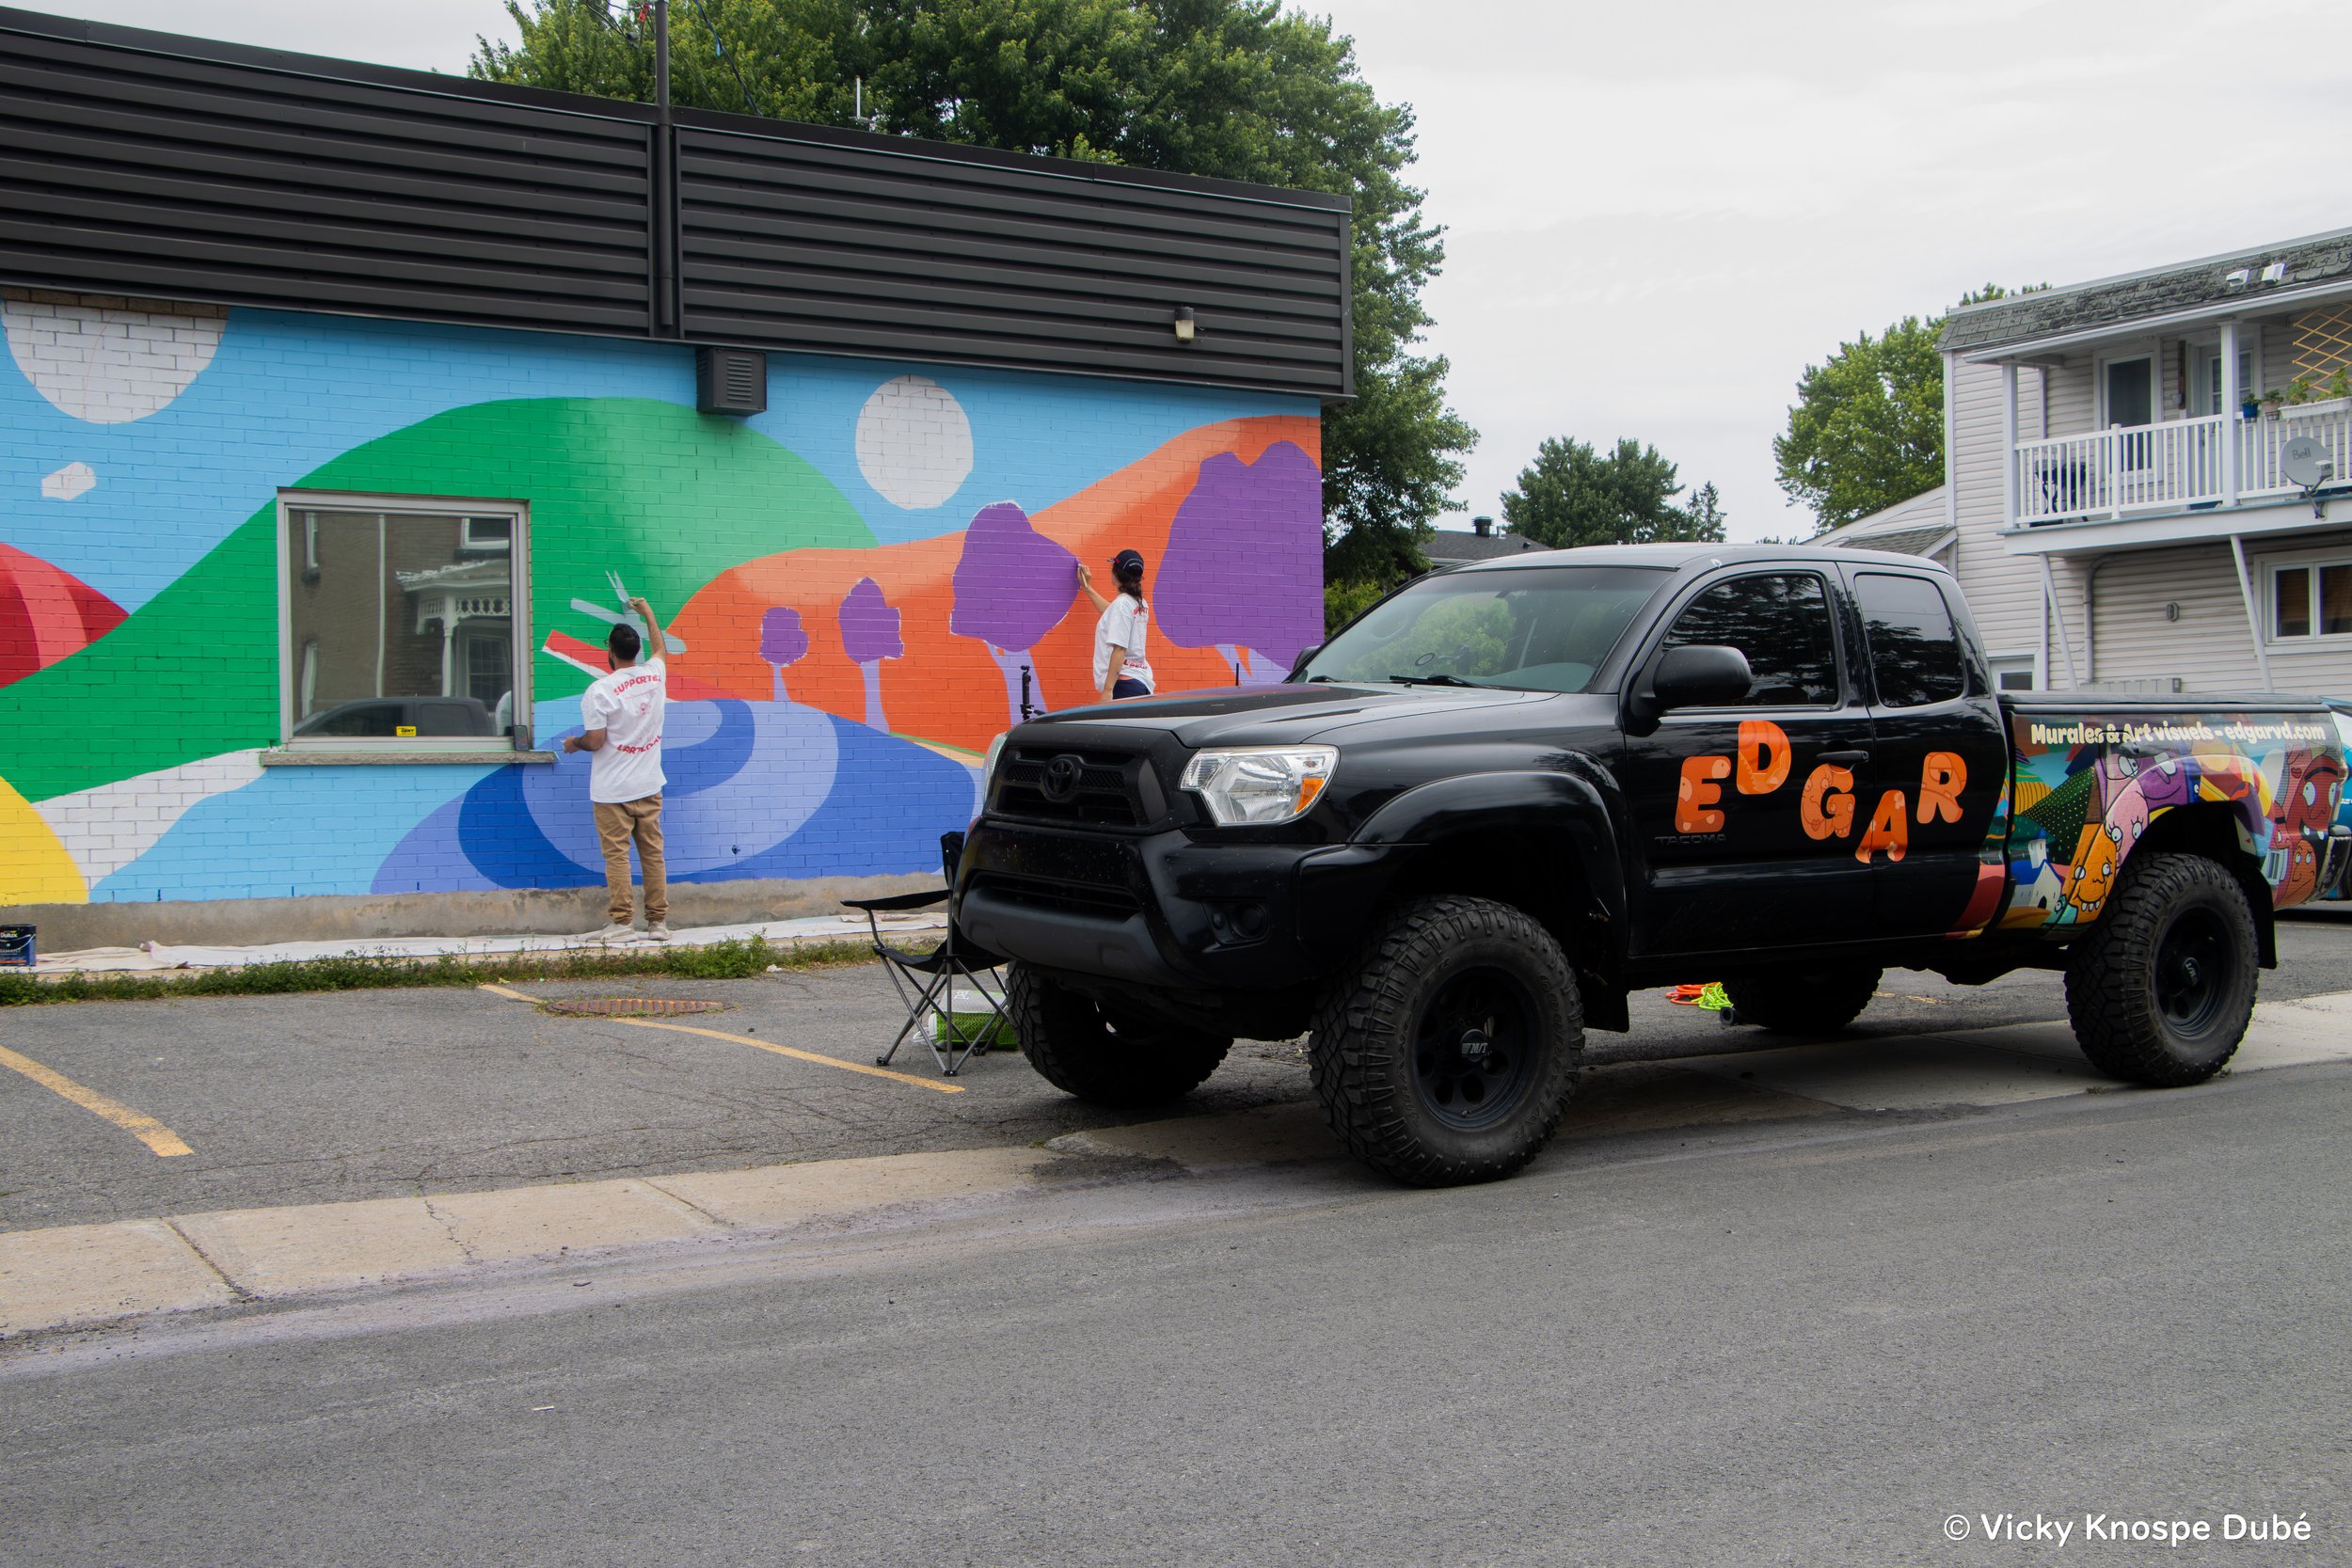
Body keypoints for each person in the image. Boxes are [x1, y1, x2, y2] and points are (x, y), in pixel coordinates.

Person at [565, 595, 671, 942]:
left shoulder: (600, 690)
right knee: (652, 855)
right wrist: (648, 611)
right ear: (637, 650)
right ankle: (658, 924)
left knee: (617, 856)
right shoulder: (654, 675)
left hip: (612, 791)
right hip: (649, 785)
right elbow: (661, 648)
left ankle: (623, 923)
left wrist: (573, 743)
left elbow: (595, 741)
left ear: (609, 652)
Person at [1077, 548, 1155, 703]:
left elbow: (1120, 648)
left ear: (1116, 574)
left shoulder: (1122, 604)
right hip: (1139, 682)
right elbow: (1111, 614)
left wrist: (1107, 691)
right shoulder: (1139, 602)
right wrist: (1088, 588)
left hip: (1124, 685)